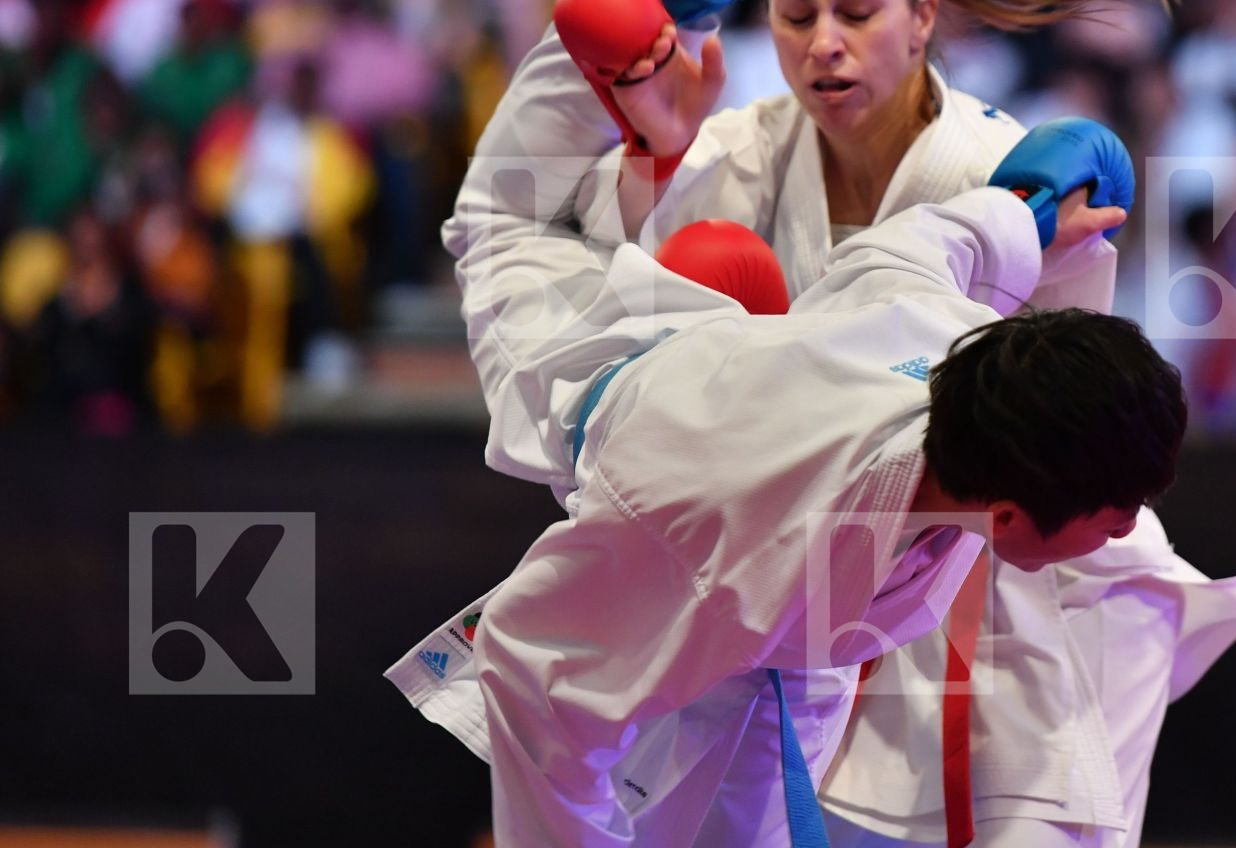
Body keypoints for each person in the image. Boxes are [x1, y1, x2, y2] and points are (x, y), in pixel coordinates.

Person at [430, 0, 1236, 845]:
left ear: (924, 18)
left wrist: (1027, 217)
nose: (821, 41)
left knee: (993, 776)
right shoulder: (742, 150)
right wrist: (655, 156)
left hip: (950, 545)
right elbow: (574, 248)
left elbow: (1043, 359)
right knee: (605, 249)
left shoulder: (980, 163)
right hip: (765, 523)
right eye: (794, 14)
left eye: (855, 10)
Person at [397, 120, 1180, 844]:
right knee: (500, 226)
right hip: (624, 407)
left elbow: (913, 248)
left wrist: (1031, 213)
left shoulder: (953, 348)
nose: (1123, 528)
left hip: (794, 609)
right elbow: (533, 674)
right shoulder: (719, 540)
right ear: (1004, 517)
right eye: (1117, 513)